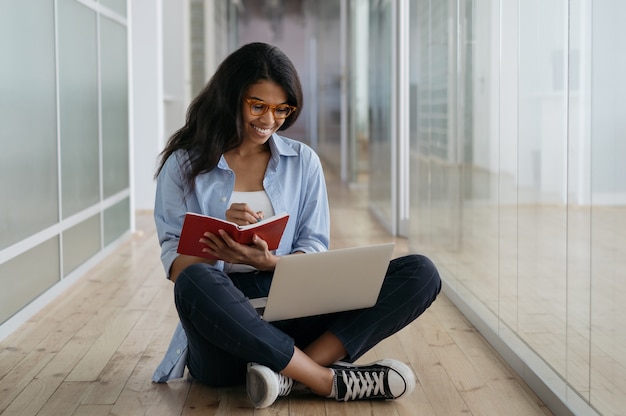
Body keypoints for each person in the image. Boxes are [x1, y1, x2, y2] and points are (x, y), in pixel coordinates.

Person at [152, 42, 442, 409]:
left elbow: (313, 244)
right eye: (257, 106)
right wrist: (218, 240)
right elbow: (176, 266)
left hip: (289, 307)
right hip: (222, 332)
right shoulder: (183, 165)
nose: (269, 120)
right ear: (230, 97)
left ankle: (287, 376)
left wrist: (270, 262)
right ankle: (324, 379)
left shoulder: (303, 162)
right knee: (196, 281)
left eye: (282, 110)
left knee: (421, 272)